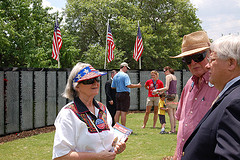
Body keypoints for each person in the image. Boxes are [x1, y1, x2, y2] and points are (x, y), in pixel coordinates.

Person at [182, 35, 240, 159]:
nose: (208, 66)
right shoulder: (231, 95)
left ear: (231, 63)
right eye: (187, 59)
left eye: (212, 60)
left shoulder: (235, 102)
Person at [52, 62, 126, 160]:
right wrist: (97, 157)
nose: (95, 83)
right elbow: (60, 156)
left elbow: (107, 141)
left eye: (97, 79)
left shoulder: (102, 109)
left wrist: (117, 145)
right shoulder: (68, 114)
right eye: (89, 80)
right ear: (76, 86)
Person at [170, 31, 219, 160]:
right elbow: (182, 121)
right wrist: (177, 153)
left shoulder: (221, 84)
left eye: (198, 57)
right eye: (187, 59)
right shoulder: (189, 84)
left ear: (210, 54)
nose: (193, 63)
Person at [111, 62, 141, 126]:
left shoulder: (115, 75)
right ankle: (123, 128)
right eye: (127, 68)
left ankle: (116, 126)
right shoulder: (125, 75)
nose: (127, 70)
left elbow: (113, 86)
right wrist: (137, 85)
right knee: (123, 112)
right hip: (124, 94)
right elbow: (128, 85)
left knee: (118, 111)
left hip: (117, 94)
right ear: (124, 67)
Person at [153, 66, 178, 133]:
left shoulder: (168, 76)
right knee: (174, 113)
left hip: (170, 96)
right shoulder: (174, 76)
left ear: (167, 71)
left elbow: (167, 87)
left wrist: (157, 90)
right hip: (175, 96)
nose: (164, 73)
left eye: (164, 71)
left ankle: (172, 130)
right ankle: (174, 129)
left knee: (170, 114)